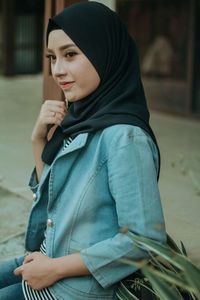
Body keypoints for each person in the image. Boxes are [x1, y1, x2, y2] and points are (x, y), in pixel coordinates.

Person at [0, 2, 166, 299]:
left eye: (71, 54)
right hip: (48, 257)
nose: (57, 71)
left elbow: (145, 241)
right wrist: (39, 140)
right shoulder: (82, 119)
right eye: (52, 58)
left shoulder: (124, 138)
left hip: (72, 285)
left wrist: (56, 269)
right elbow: (57, 201)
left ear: (105, 53)